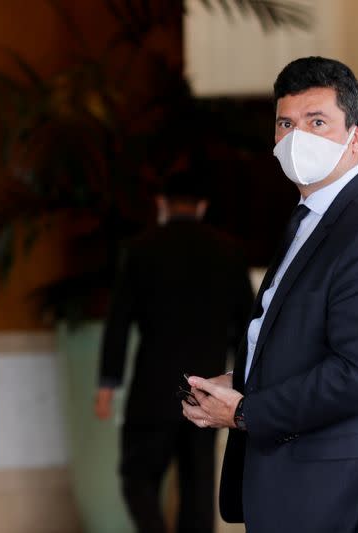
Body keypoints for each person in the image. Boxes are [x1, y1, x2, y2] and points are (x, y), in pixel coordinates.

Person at [182, 56, 358, 533]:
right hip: (300, 484)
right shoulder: (315, 216)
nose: (298, 138)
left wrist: (247, 411)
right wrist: (248, 378)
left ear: (357, 136)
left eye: (317, 122)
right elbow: (309, 339)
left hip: (333, 490)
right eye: (286, 124)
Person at [95, 170, 253, 533]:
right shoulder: (228, 251)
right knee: (197, 486)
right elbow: (247, 328)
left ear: (162, 204)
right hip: (207, 390)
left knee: (137, 477)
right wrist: (242, 385)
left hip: (152, 389)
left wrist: (107, 385)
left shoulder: (141, 248)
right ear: (202, 206)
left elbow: (118, 323)